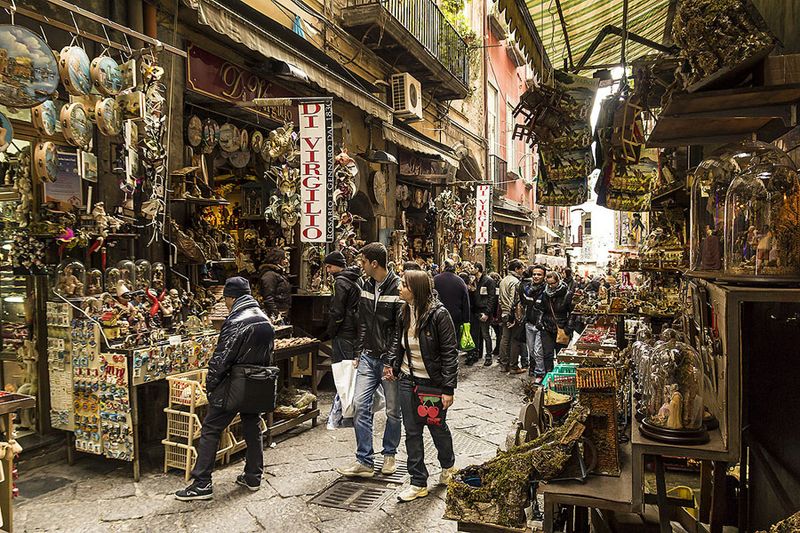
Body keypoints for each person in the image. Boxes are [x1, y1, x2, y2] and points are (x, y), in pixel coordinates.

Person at [175, 277, 274, 500]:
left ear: (231, 298)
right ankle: (253, 476)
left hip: (234, 383)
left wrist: (211, 385)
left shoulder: (236, 320)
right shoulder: (263, 318)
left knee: (211, 428)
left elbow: (222, 358)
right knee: (252, 425)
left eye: (226, 300)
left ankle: (202, 483)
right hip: (256, 382)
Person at [337, 243, 403, 478]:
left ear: (374, 263)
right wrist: (358, 352)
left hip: (387, 359)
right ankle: (364, 460)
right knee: (359, 405)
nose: (360, 265)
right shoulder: (365, 285)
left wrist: (391, 361)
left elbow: (398, 329)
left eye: (363, 261)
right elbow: (363, 322)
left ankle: (389, 454)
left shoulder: (397, 287)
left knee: (393, 410)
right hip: (367, 356)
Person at [394, 270, 458, 502]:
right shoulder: (404, 311)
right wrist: (393, 364)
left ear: (416, 289)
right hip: (407, 379)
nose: (399, 287)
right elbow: (398, 342)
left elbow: (449, 352)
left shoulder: (439, 314)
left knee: (436, 427)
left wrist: (448, 389)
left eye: (404, 284)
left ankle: (448, 466)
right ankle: (418, 481)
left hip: (431, 383)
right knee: (412, 431)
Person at [324, 251, 362, 429]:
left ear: (338, 265)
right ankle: (349, 410)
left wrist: (331, 330)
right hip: (353, 329)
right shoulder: (355, 279)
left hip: (344, 331)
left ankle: (346, 413)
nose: (328, 270)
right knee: (350, 370)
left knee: (343, 371)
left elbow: (337, 310)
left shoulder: (340, 282)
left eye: (330, 266)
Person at [540, 271, 574, 376]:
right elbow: (541, 309)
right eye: (548, 283)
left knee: (561, 354)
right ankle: (549, 376)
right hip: (547, 327)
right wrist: (540, 322)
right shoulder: (545, 293)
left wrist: (568, 327)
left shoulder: (567, 294)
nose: (550, 286)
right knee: (547, 354)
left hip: (562, 327)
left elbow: (572, 312)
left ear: (558, 281)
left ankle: (560, 376)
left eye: (553, 283)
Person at [519, 265, 547, 382]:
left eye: (539, 274)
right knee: (531, 350)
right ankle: (535, 368)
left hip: (540, 325)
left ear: (544, 276)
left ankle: (540, 373)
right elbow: (524, 302)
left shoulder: (547, 290)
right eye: (534, 274)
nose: (536, 276)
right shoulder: (527, 288)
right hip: (529, 323)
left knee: (538, 350)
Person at [498, 260, 525, 374]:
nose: (523, 271)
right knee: (515, 340)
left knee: (505, 339)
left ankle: (503, 364)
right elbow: (514, 299)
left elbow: (500, 299)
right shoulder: (515, 282)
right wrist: (512, 316)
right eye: (521, 268)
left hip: (504, 312)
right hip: (512, 313)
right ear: (517, 269)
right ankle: (513, 366)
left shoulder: (503, 280)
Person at [466, 263, 496, 366]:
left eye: (472, 268)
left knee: (485, 334)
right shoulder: (474, 281)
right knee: (476, 333)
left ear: (477, 269)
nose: (470, 269)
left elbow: (492, 298)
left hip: (484, 310)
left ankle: (488, 356)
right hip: (476, 310)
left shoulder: (488, 281)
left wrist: (487, 313)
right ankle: (477, 354)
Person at [433, 259, 470, 334]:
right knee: (454, 337)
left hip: (438, 315)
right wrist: (466, 320)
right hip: (455, 317)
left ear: (444, 267)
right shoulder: (460, 281)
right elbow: (465, 302)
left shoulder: (435, 279)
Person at [259, 247, 291, 319]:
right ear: (278, 259)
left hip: (281, 311)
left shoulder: (278, 274)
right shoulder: (270, 275)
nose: (286, 261)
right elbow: (268, 297)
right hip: (276, 314)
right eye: (284, 258)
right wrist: (276, 313)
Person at [488, 271, 503, 360]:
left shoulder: (495, 288)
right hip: (496, 314)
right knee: (499, 333)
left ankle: (498, 349)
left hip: (496, 314)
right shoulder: (498, 287)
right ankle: (498, 349)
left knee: (499, 333)